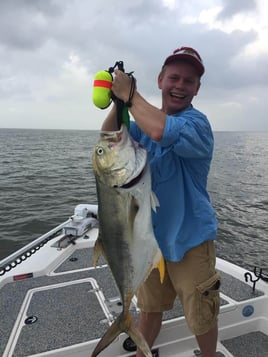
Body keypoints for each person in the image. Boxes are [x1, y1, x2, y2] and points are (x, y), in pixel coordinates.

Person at [101, 46, 220, 357]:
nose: (180, 85)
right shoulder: (142, 120)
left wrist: (131, 97)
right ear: (160, 80)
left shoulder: (198, 125)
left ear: (197, 89)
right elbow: (109, 138)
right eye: (174, 77)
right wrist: (118, 102)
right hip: (148, 241)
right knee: (150, 311)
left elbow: (159, 130)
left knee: (201, 315)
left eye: (189, 81)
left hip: (190, 240)